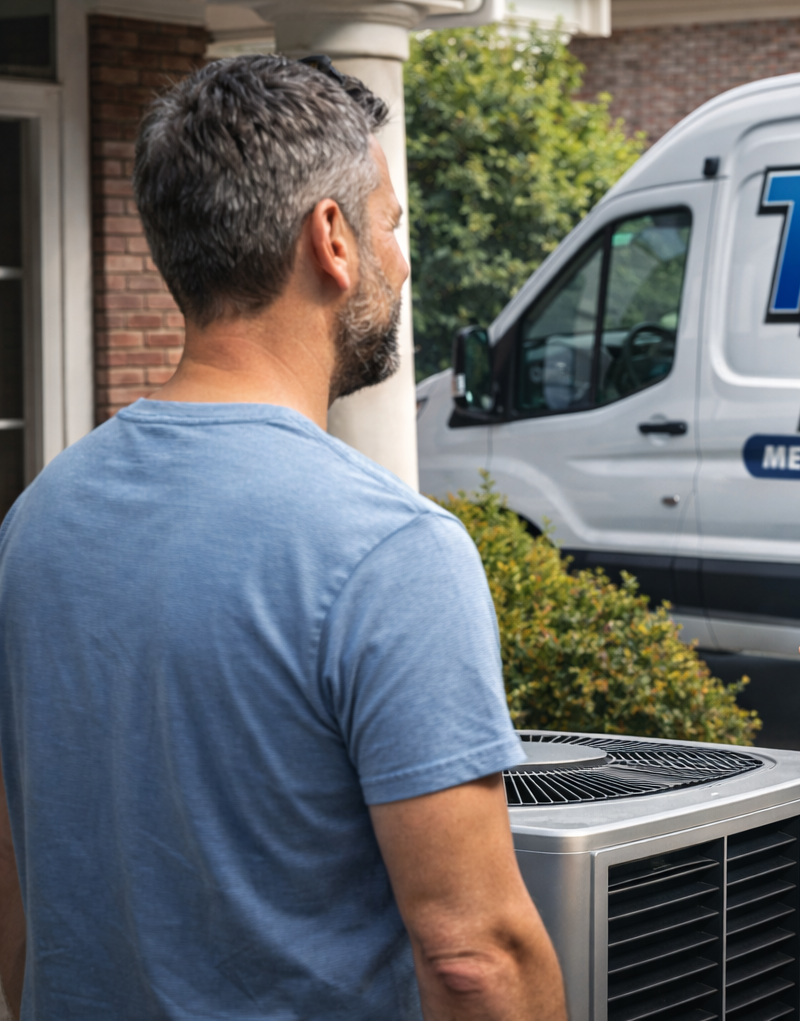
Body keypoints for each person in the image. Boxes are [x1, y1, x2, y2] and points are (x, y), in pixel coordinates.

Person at [0, 55, 565, 1021]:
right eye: (391, 224)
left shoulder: (37, 519)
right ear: (332, 240)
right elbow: (475, 957)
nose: (402, 257)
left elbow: (17, 885)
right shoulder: (391, 550)